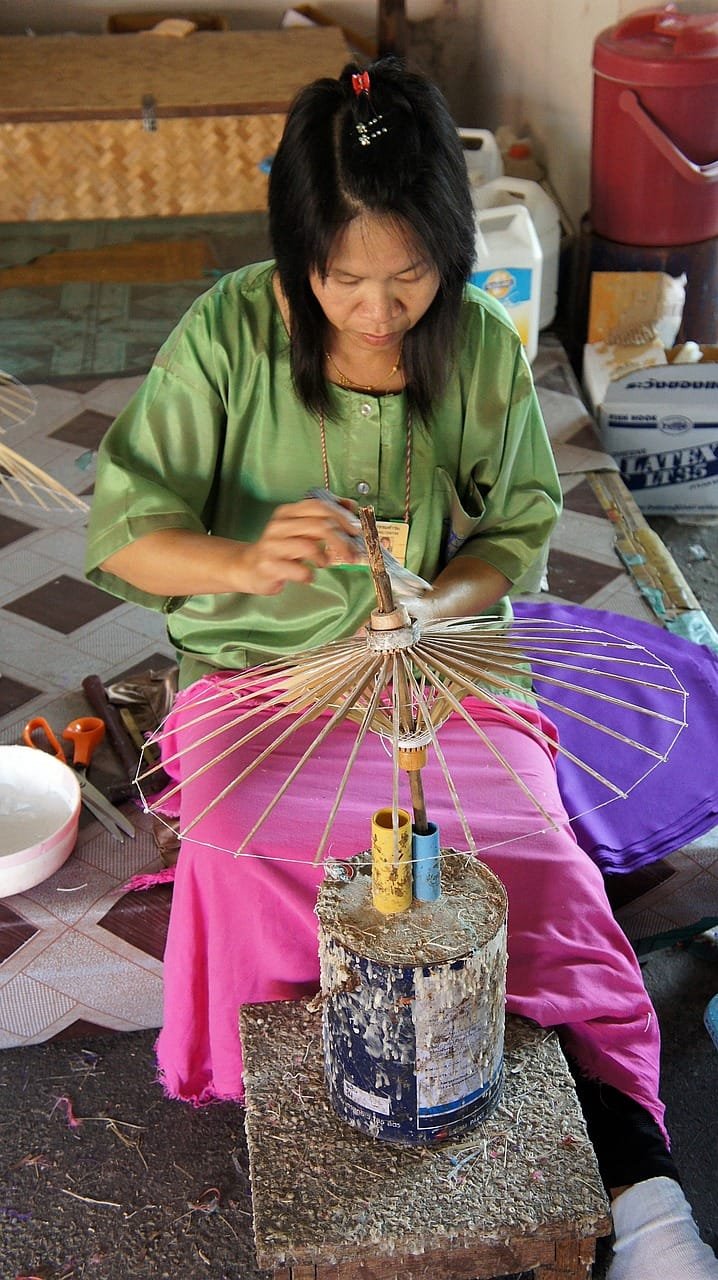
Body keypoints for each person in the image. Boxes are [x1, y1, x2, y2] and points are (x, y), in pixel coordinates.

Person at [85, 58, 717, 1280]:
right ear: (295, 257)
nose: (378, 311)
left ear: (450, 252)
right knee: (259, 858)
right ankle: (350, 1148)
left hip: (438, 667)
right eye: (342, 279)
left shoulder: (475, 344)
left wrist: (443, 597)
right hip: (261, 680)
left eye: (410, 275)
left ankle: (638, 1188)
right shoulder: (228, 332)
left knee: (526, 865)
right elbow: (125, 531)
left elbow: (514, 529)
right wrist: (244, 557)